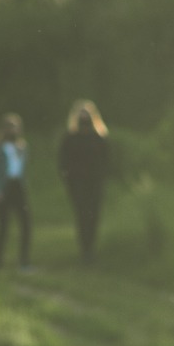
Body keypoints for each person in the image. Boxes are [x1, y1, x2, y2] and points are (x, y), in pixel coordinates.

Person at [56, 100, 111, 263]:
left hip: (95, 183)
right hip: (78, 183)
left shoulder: (99, 138)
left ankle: (90, 249)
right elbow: (63, 162)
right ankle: (84, 249)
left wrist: (101, 177)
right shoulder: (70, 138)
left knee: (94, 215)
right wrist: (69, 180)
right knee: (82, 214)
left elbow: (106, 160)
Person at [0, 113, 31, 270]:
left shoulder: (21, 147)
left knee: (26, 224)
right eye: (10, 127)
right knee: (3, 226)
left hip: (18, 187)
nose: (13, 130)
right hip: (4, 188)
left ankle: (24, 261)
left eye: (16, 127)